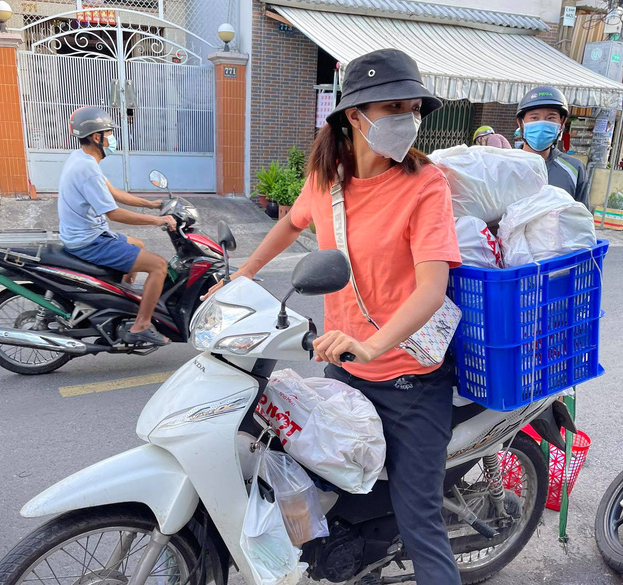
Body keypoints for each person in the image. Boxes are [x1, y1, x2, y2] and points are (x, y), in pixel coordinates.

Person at [208, 49, 462, 584]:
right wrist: (247, 273)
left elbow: (432, 289)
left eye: (413, 108)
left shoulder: (425, 184)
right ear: (355, 114)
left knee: (422, 527)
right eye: (393, 106)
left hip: (410, 380)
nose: (406, 120)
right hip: (344, 369)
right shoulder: (329, 181)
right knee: (326, 490)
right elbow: (291, 222)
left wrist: (373, 344)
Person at [58, 106, 176, 346]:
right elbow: (114, 213)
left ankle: (119, 302)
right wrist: (158, 220)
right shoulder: (87, 168)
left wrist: (152, 204)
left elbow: (115, 193)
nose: (113, 138)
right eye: (109, 133)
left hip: (86, 234)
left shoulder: (80, 158)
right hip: (90, 241)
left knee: (138, 244)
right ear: (96, 137)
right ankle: (141, 326)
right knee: (158, 266)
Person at [516, 86, 589, 208]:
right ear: (520, 123)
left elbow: (583, 221)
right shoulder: (504, 166)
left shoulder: (574, 169)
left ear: (561, 123)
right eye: (534, 118)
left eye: (551, 118)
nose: (542, 123)